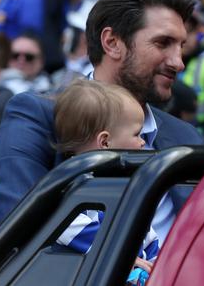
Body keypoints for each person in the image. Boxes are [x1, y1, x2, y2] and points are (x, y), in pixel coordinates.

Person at [0, 0, 204, 243]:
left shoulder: (186, 138)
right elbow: (16, 224)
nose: (178, 62)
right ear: (112, 43)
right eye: (163, 43)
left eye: (181, 46)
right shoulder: (39, 114)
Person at [53, 79, 158, 281]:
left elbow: (147, 234)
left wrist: (158, 261)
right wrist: (121, 255)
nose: (143, 142)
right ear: (105, 141)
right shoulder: (74, 183)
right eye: (137, 134)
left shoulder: (124, 185)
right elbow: (68, 226)